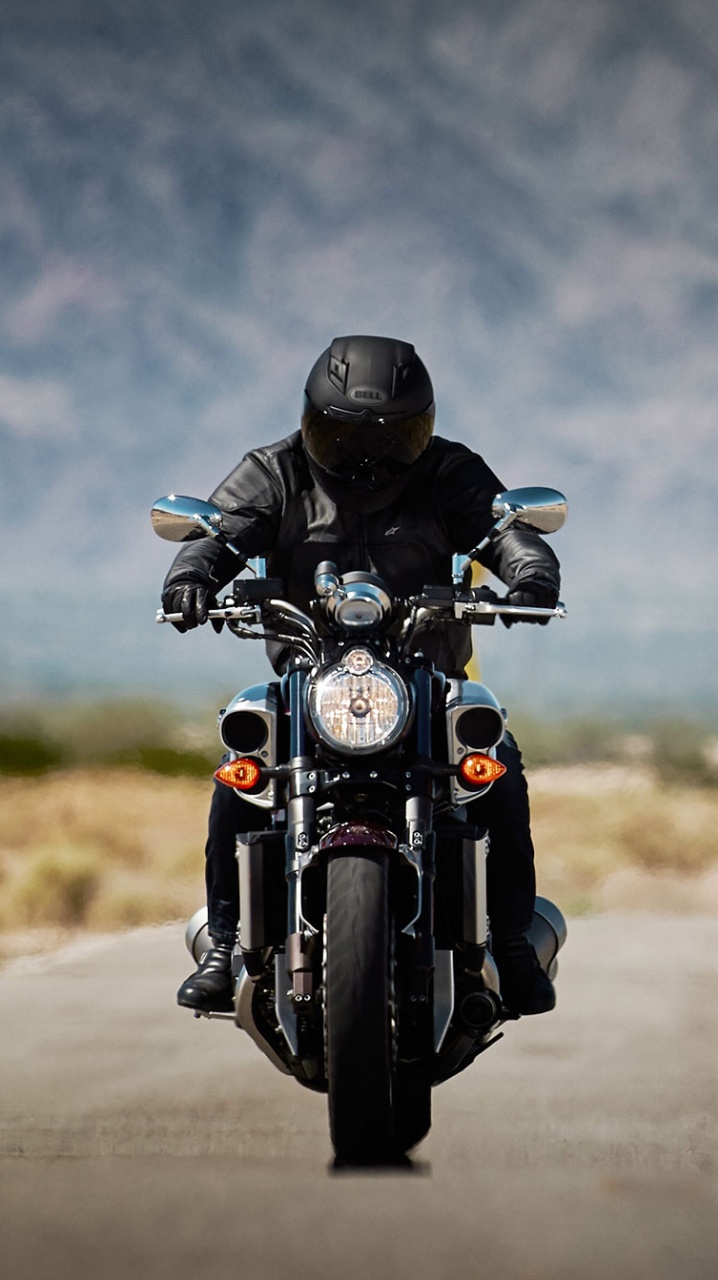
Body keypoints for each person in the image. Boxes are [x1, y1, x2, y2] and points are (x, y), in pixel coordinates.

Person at [162, 335, 561, 1018]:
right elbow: (218, 534)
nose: (368, 457)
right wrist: (192, 577)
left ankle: (512, 941)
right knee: (243, 758)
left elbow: (503, 530)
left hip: (424, 678)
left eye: (391, 437)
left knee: (496, 760)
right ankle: (226, 941)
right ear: (313, 421)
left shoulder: (448, 473)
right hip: (307, 678)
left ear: (423, 426)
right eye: (346, 437)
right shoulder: (273, 471)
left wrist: (530, 572)